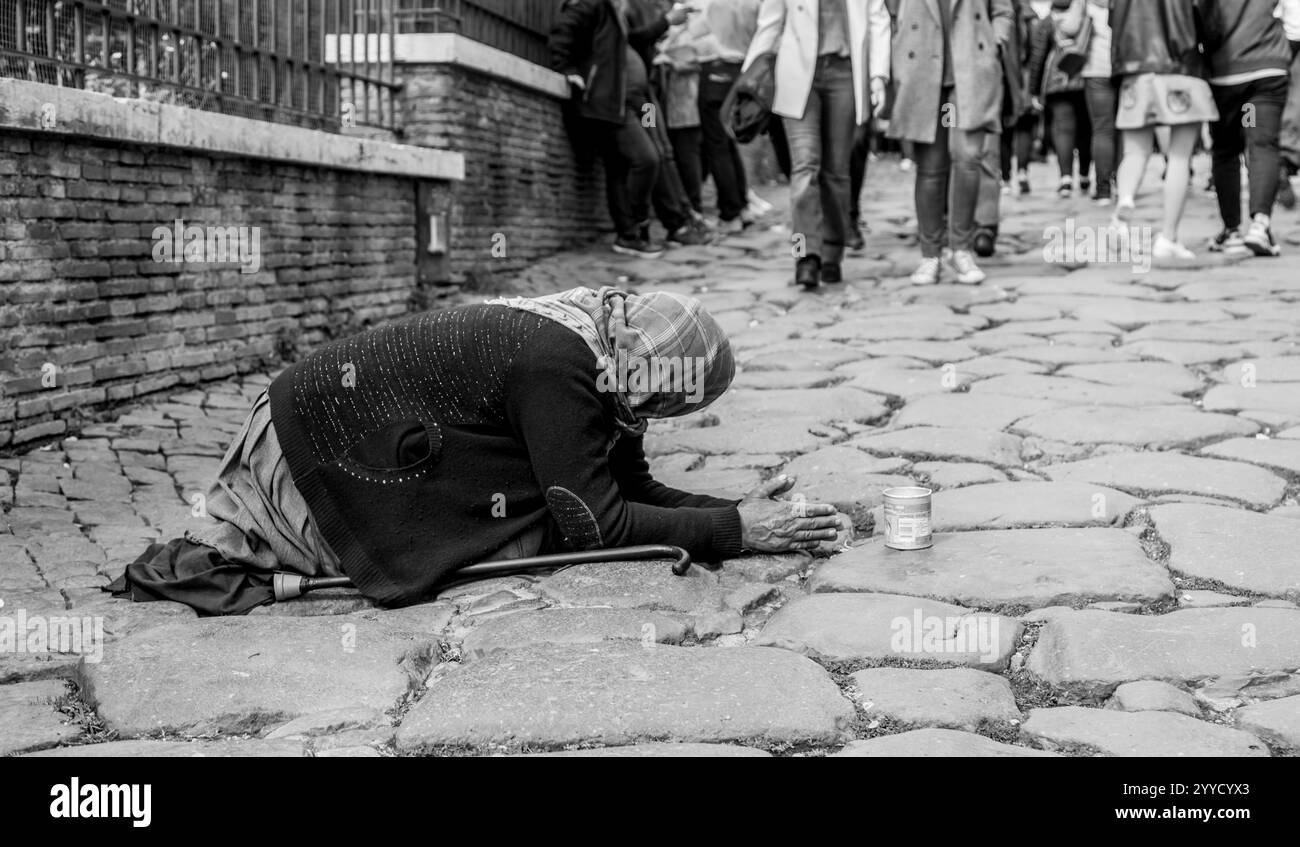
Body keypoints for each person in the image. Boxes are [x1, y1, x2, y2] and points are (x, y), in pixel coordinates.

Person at [114, 288, 844, 613]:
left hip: (314, 418)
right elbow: (601, 523)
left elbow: (630, 483)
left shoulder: (604, 338)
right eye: (664, 403)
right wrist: (740, 533)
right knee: (539, 524)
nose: (653, 416)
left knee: (548, 498)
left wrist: (736, 511)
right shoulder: (563, 365)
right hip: (309, 460)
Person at [745, 0, 892, 289]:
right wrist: (748, 79)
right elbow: (770, 24)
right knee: (805, 167)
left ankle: (832, 252)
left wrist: (878, 76)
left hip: (846, 74)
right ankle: (805, 256)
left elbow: (878, 20)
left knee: (836, 172)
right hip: (799, 75)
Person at [550, 0, 703, 257]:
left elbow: (633, 41)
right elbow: (564, 33)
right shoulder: (595, 4)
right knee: (647, 159)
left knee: (659, 151)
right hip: (614, 103)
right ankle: (647, 224)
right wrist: (566, 69)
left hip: (643, 100)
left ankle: (671, 223)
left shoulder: (618, 7)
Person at [889, 0, 1015, 286]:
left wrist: (995, 42)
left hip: (969, 74)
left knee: (967, 157)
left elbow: (1003, 10)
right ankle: (930, 253)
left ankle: (961, 249)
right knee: (931, 167)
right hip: (921, 71)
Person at [1110, 0, 1218, 261]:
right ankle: (1168, 237)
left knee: (1134, 152)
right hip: (1183, 67)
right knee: (1179, 157)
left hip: (1135, 69)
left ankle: (1122, 209)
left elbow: (1113, 20)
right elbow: (1207, 19)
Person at [1200, 0, 1293, 256]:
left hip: (1226, 72)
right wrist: (1285, 53)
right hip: (1267, 68)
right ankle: (1260, 225)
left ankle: (1231, 231)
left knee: (1226, 149)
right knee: (1262, 144)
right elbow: (1295, 15)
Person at [1027, 0, 1092, 198]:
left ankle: (1065, 179)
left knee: (1063, 130)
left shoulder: (1047, 22)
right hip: (1083, 76)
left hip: (1056, 82)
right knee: (1085, 129)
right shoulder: (1085, 16)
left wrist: (1034, 90)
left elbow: (1038, 56)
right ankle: (1084, 175)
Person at [1056, 0, 1117, 205]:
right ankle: (1123, 184)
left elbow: (1069, 27)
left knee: (1102, 130)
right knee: (1124, 129)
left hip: (1097, 70)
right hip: (1125, 66)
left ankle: (1103, 190)